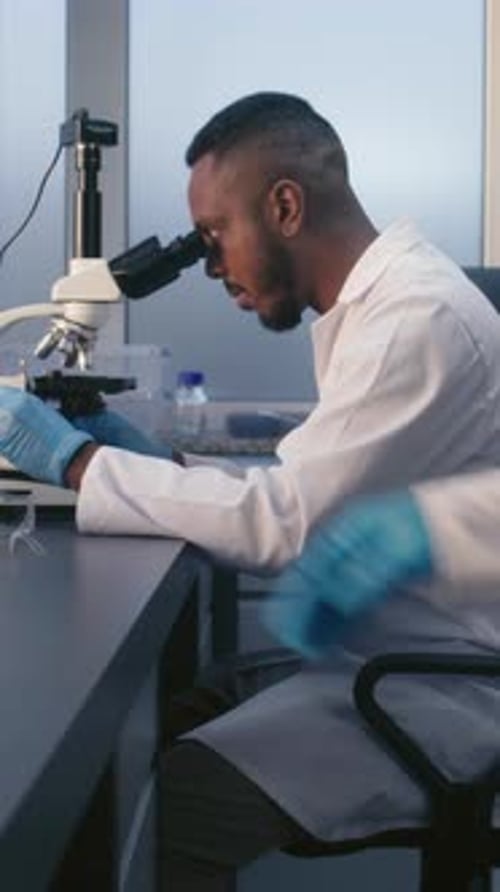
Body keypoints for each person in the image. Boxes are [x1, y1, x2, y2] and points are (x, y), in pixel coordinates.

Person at [2, 91, 500, 888]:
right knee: (177, 717)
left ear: (285, 206)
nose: (210, 267)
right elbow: (312, 491)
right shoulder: (384, 305)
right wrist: (164, 465)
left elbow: (287, 524)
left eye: (214, 236)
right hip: (391, 656)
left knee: (163, 810)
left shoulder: (417, 320)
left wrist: (78, 463)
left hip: (437, 687)